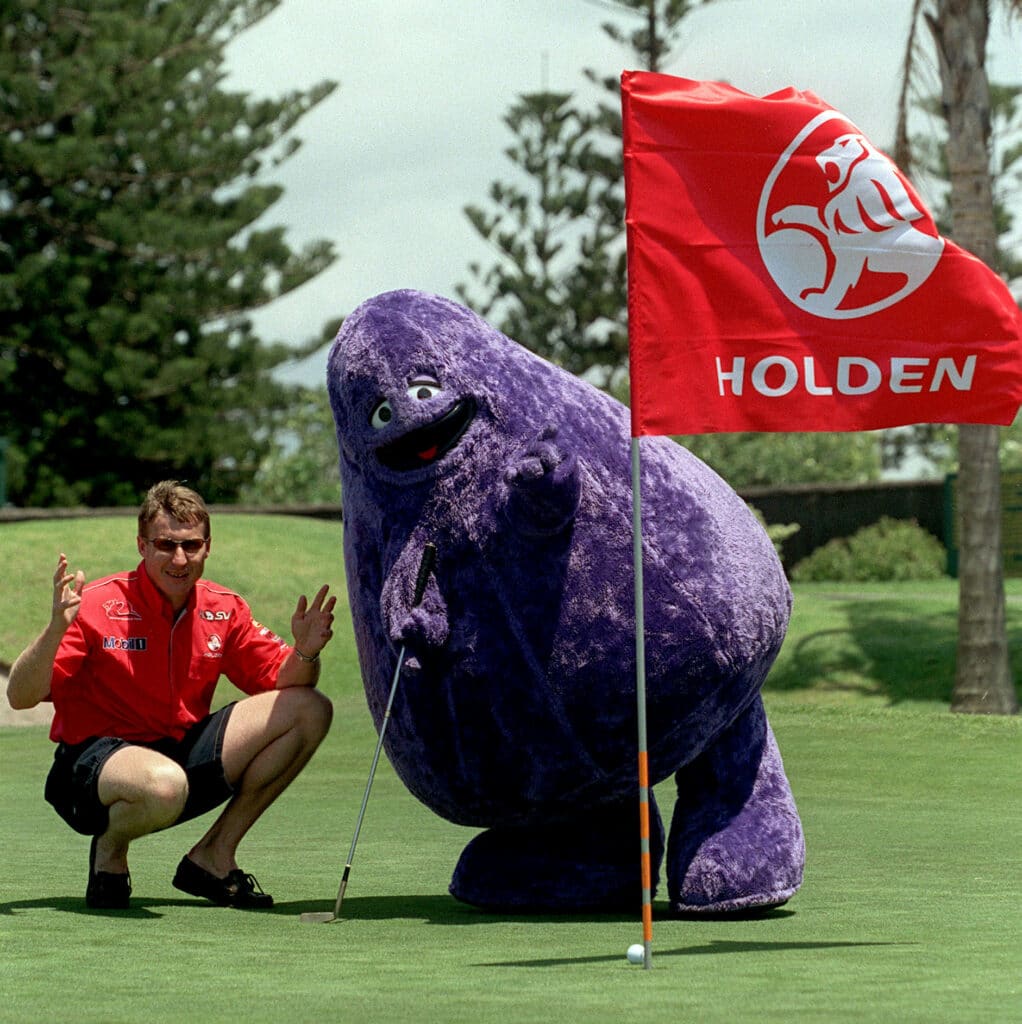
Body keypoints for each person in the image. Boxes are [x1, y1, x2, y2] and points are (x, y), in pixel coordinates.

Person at [6, 481, 336, 910]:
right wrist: (54, 629)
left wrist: (307, 649)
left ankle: (212, 857)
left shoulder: (225, 608)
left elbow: (286, 680)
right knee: (164, 786)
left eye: (191, 545)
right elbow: (20, 696)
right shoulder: (96, 604)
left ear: (207, 546)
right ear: (142, 546)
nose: (179, 559)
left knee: (310, 709)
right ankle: (111, 846)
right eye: (166, 545)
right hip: (93, 768)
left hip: (177, 754)